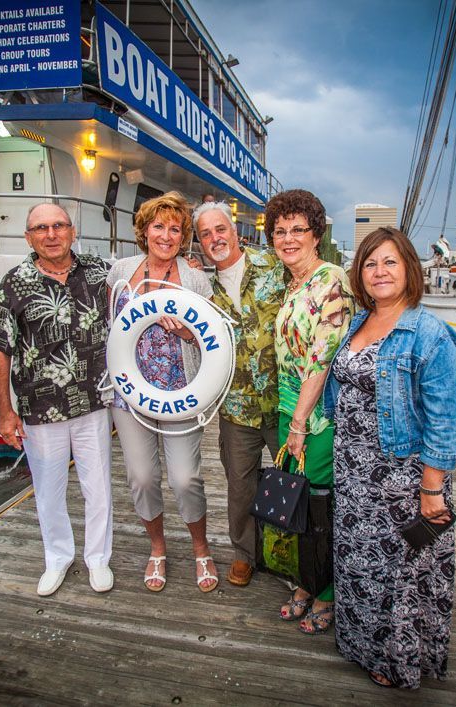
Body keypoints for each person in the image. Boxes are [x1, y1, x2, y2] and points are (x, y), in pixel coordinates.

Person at [323, 226, 456, 689]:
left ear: (409, 269)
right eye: (370, 263)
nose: (379, 271)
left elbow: (446, 418)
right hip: (354, 473)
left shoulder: (429, 333)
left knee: (397, 571)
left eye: (389, 262)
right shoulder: (359, 322)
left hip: (400, 478)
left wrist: (432, 489)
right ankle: (359, 645)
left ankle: (394, 660)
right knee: (357, 562)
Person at [0, 203, 114, 596]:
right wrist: (5, 413)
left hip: (93, 401)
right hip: (40, 409)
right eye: (41, 228)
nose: (51, 234)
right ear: (29, 238)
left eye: (59, 225)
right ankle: (57, 557)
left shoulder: (100, 272)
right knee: (49, 490)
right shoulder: (13, 284)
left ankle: (98, 559)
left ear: (72, 231)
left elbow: (135, 299)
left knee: (98, 487)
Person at [106, 191, 220, 593]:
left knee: (186, 478)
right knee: (141, 477)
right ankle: (157, 548)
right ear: (144, 230)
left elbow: (213, 337)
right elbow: (109, 326)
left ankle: (201, 549)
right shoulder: (120, 271)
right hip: (129, 393)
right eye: (158, 226)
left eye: (175, 229)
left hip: (181, 389)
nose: (166, 236)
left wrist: (188, 332)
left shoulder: (194, 277)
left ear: (183, 236)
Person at [267, 189, 354, 635]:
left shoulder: (331, 280)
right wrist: (291, 418)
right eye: (280, 231)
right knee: (300, 503)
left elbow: (322, 359)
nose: (288, 238)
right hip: (290, 408)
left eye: (297, 229)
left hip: (317, 416)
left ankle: (328, 592)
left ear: (316, 235)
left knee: (320, 505)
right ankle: (307, 579)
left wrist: (300, 424)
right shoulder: (293, 284)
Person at [193, 200, 285, 587]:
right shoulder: (201, 288)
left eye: (220, 229)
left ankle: (286, 556)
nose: (215, 238)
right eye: (206, 234)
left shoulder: (274, 265)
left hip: (284, 401)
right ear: (199, 243)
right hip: (236, 405)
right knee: (240, 486)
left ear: (235, 231)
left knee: (289, 481)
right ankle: (245, 553)